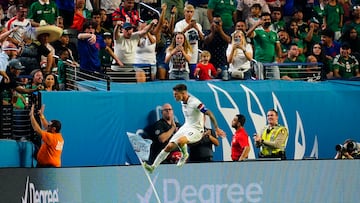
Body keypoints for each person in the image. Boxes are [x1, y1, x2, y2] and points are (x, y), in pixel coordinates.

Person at [143, 84, 226, 173]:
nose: (174, 96)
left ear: (183, 93)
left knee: (180, 141)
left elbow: (209, 113)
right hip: (186, 127)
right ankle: (152, 167)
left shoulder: (195, 103)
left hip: (197, 130)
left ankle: (184, 155)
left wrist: (216, 128)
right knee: (169, 147)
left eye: (176, 94)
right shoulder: (183, 101)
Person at [246, 12, 282, 79]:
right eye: (265, 20)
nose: (267, 21)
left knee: (276, 79)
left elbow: (278, 46)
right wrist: (256, 25)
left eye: (268, 19)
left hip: (272, 61)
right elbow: (248, 35)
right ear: (261, 21)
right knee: (260, 81)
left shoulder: (274, 33)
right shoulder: (257, 31)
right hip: (260, 61)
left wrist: (279, 57)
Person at [174, 4, 204, 79]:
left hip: (193, 54)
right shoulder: (180, 24)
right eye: (187, 11)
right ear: (184, 12)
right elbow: (176, 37)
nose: (189, 14)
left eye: (191, 12)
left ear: (193, 13)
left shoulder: (198, 25)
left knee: (193, 77)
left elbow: (202, 38)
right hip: (182, 55)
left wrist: (196, 28)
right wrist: (188, 28)